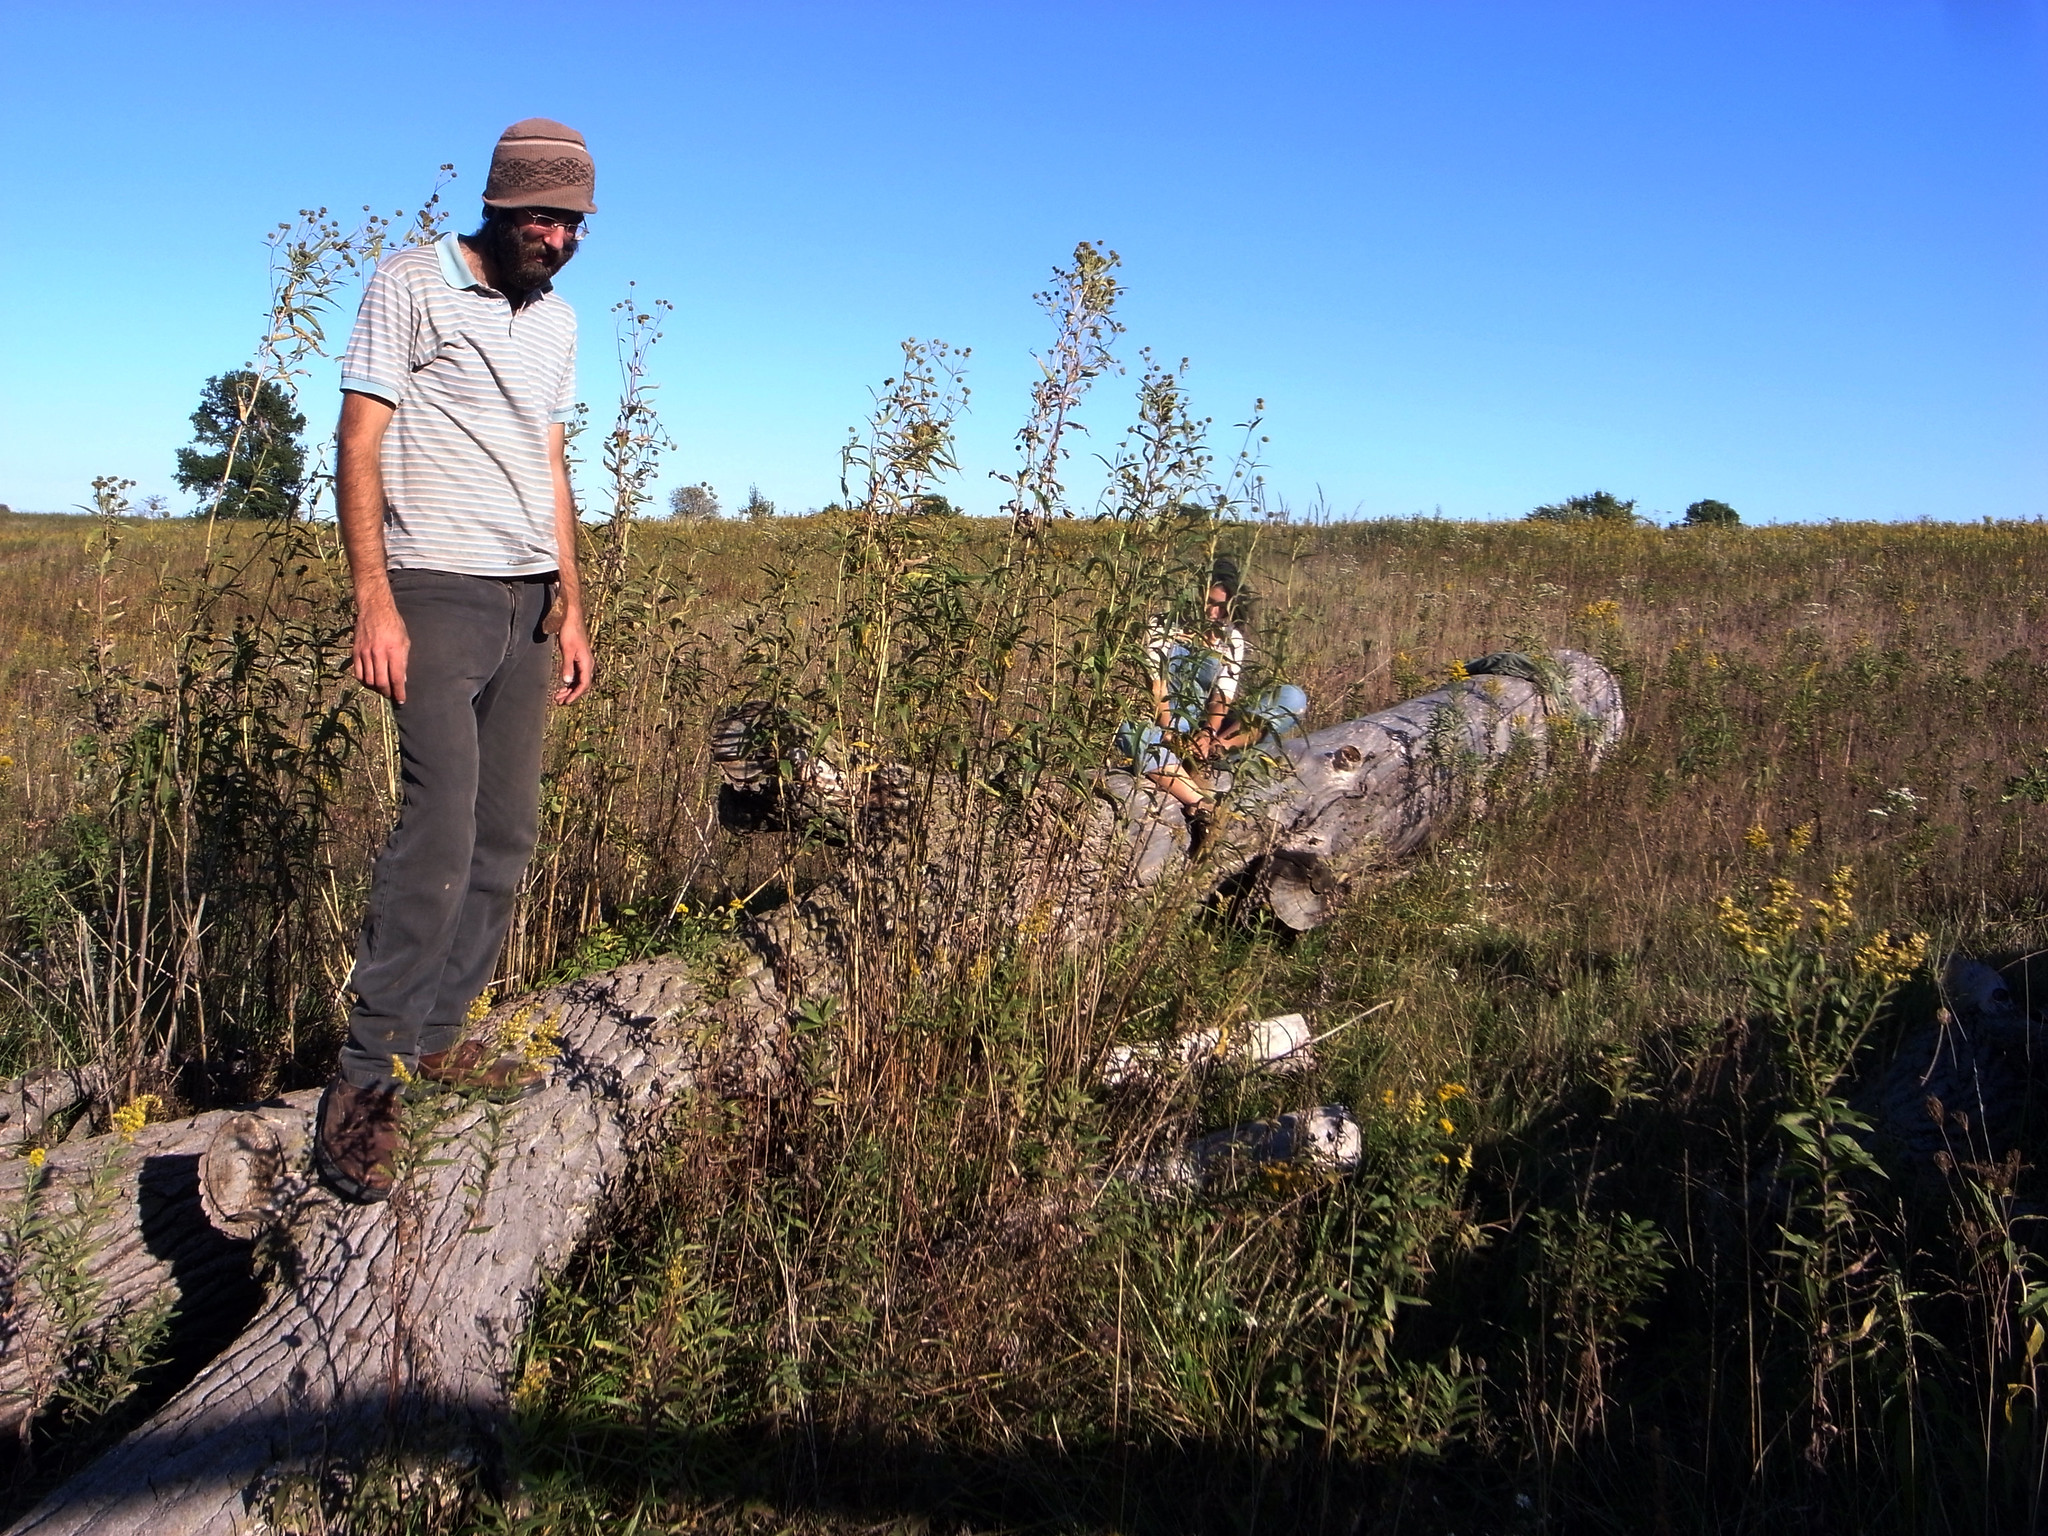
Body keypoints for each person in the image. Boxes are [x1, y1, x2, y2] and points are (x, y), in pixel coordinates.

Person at [314, 119, 599, 1203]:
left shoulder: (558, 321)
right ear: (498, 203)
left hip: (528, 601)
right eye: (541, 215)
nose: (558, 238)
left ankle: (437, 1038)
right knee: (434, 832)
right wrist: (373, 600)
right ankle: (362, 1087)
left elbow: (549, 458)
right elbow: (358, 437)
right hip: (432, 587)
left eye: (572, 221)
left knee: (505, 836)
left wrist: (571, 605)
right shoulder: (412, 285)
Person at [1118, 557, 1307, 850]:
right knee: (1130, 731)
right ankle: (1203, 807)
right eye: (1208, 602)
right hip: (1170, 724)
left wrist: (1209, 735)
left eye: (1222, 606)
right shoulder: (1162, 625)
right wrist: (1171, 734)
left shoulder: (1231, 637)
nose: (1213, 612)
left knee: (1292, 698)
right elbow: (1158, 684)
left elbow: (1223, 694)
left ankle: (1218, 752)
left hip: (1209, 728)